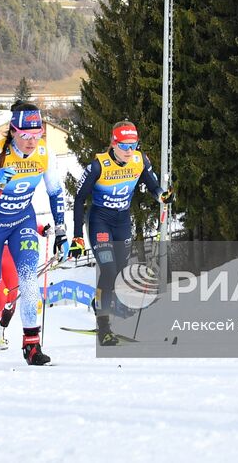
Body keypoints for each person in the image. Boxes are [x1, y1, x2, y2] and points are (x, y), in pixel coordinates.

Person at [0, 102, 67, 365]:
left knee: (29, 281)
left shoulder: (44, 153)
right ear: (13, 132)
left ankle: (32, 346)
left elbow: (55, 192)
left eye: (37, 133)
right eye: (25, 135)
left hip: (22, 221)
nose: (32, 141)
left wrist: (62, 231)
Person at [72, 120, 166, 345]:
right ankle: (104, 327)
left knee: (120, 272)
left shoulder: (139, 160)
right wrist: (76, 236)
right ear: (113, 143)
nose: (129, 150)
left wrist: (162, 195)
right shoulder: (98, 165)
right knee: (108, 269)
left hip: (122, 221)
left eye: (133, 145)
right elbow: (78, 199)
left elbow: (153, 186)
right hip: (100, 220)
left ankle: (101, 305)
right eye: (124, 146)